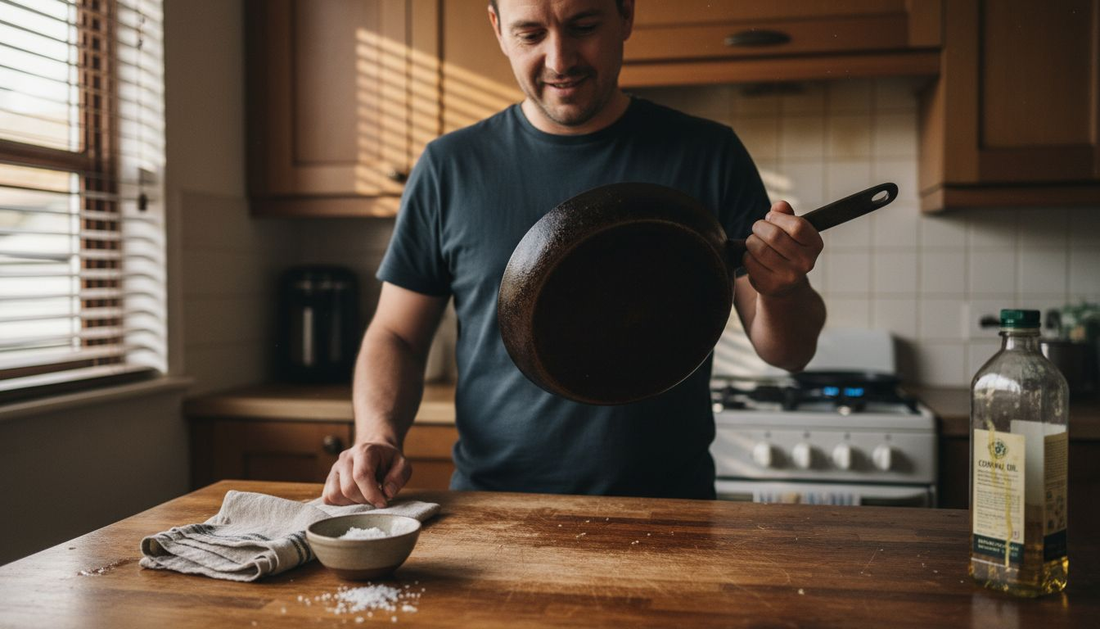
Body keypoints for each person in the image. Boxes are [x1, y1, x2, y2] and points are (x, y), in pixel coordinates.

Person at [322, 0, 826, 507]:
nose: (560, 60)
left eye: (583, 26)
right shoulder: (449, 168)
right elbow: (396, 336)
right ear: (497, 29)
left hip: (672, 513)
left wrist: (783, 288)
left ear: (626, 16)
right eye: (530, 34)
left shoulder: (709, 155)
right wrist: (377, 434)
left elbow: (789, 352)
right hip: (496, 511)